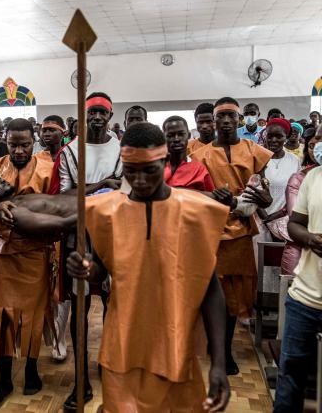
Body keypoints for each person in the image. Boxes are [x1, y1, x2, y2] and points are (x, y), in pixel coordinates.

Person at [66, 122, 230, 413]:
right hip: (123, 344)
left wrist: (218, 363)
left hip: (175, 343)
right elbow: (101, 270)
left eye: (149, 170)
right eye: (130, 170)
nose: (139, 180)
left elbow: (211, 290)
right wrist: (85, 268)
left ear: (165, 162)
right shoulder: (105, 212)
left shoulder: (195, 213)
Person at [48, 92, 122, 409]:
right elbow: (63, 198)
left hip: (114, 237)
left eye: (101, 112)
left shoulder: (121, 149)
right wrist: (100, 185)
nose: (95, 117)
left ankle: (110, 363)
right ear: (83, 114)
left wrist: (93, 191)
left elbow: (127, 189)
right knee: (79, 308)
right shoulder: (68, 151)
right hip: (78, 236)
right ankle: (82, 381)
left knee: (113, 304)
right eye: (90, 112)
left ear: (109, 115)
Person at [0, 118, 54, 410]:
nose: (19, 150)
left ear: (35, 142)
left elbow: (57, 207)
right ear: (5, 142)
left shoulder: (48, 168)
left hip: (35, 251)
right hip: (4, 252)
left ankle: (32, 369)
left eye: (25, 144)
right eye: (13, 144)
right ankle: (4, 379)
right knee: (3, 317)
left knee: (32, 315)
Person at [191, 97, 274, 376]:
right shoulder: (200, 155)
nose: (226, 121)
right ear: (213, 121)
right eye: (221, 116)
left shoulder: (254, 150)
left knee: (231, 297)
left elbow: (263, 192)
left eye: (231, 116)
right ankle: (213, 346)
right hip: (210, 231)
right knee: (211, 292)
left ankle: (224, 351)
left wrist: (263, 199)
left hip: (240, 232)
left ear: (240, 120)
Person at [273, 135, 322, 411]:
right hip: (305, 297)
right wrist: (311, 239)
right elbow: (295, 224)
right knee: (290, 377)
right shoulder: (312, 177)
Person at [281, 127, 321, 275]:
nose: (318, 147)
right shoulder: (300, 178)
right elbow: (296, 217)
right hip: (300, 250)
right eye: (312, 145)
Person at [162, 115, 215, 192]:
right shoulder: (155, 167)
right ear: (163, 138)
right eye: (170, 135)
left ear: (188, 135)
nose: (176, 139)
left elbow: (211, 199)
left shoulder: (198, 169)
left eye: (181, 134)